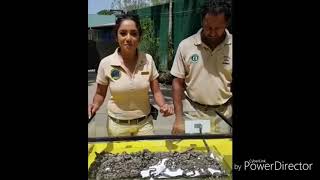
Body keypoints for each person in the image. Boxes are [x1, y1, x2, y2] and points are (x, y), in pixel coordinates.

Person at [88, 13, 174, 136]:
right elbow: (100, 93)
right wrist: (94, 105)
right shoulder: (106, 63)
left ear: (139, 37)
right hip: (117, 127)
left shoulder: (148, 60)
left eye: (133, 33)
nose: (128, 38)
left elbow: (156, 91)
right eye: (123, 33)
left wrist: (163, 105)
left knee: (147, 155)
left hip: (145, 126)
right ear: (116, 37)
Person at [170, 0, 232, 135]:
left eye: (218, 28)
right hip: (194, 113)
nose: (212, 32)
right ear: (202, 21)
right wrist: (179, 119)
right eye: (208, 27)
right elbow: (177, 83)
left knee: (223, 153)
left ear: (227, 24)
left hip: (224, 115)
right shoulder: (186, 46)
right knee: (195, 153)